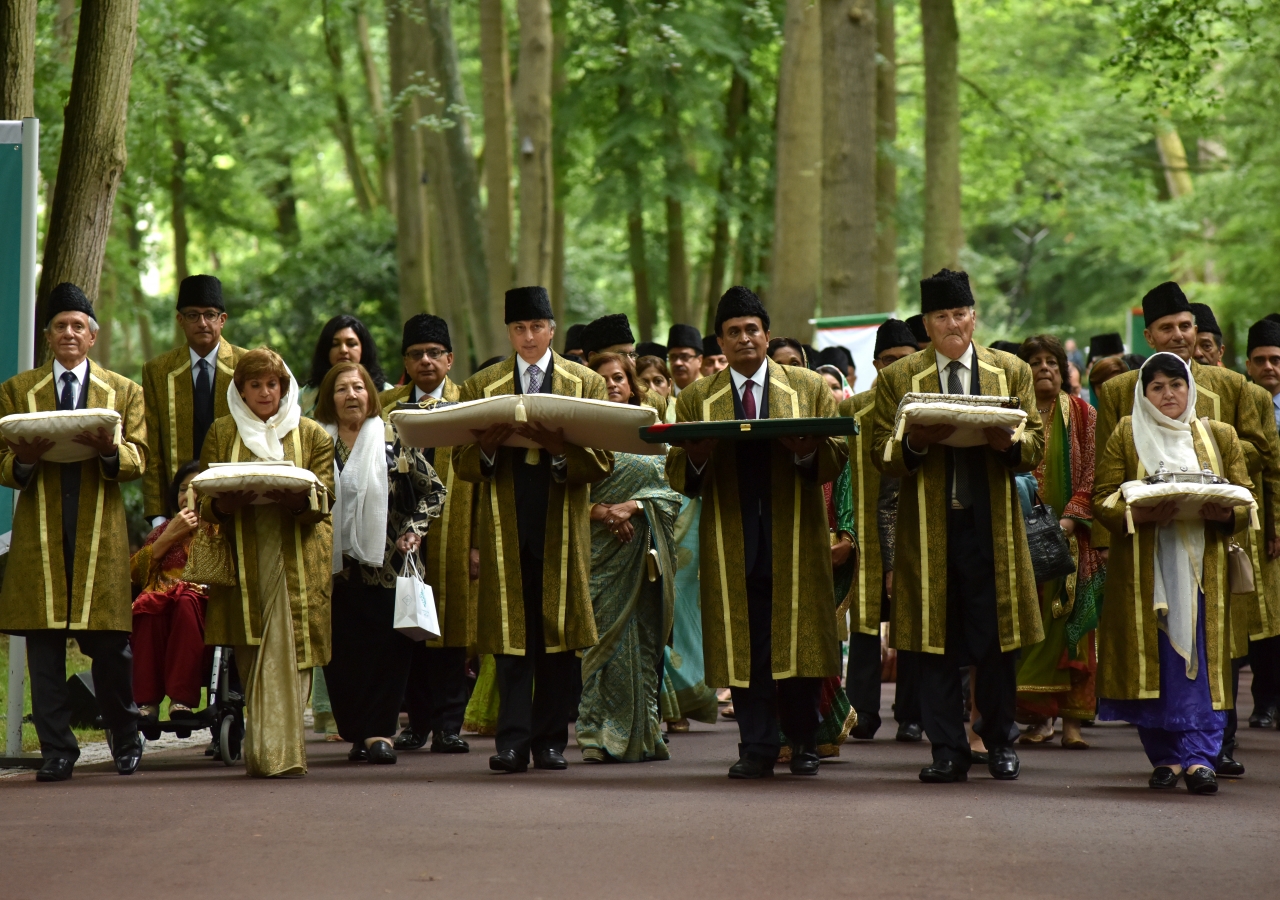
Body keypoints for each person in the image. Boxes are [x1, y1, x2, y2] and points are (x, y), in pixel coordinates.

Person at [667, 286, 849, 779]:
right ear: (720, 344)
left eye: (752, 329)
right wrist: (698, 458)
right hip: (732, 539)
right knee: (745, 646)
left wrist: (806, 450)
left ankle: (805, 743)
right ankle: (756, 746)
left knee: (801, 641)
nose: (744, 338)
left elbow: (837, 456)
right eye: (733, 332)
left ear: (767, 335)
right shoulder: (698, 397)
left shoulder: (807, 387)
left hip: (794, 536)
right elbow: (678, 473)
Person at [1093, 284, 1275, 774]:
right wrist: (1139, 512)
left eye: (1177, 386)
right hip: (1144, 566)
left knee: (1205, 657)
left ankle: (1201, 758)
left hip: (1205, 568)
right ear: (1143, 391)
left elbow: (1244, 493)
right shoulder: (1125, 430)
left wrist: (1225, 512)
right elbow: (1103, 496)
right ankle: (1166, 759)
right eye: (1157, 387)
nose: (1169, 394)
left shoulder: (1219, 433)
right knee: (1157, 659)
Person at [872, 269, 1045, 783]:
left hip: (991, 529)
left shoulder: (1009, 371)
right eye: (942, 316)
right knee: (934, 644)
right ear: (926, 323)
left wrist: (1009, 444)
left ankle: (999, 743)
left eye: (961, 314)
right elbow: (883, 454)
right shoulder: (900, 378)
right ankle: (946, 749)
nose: (954, 325)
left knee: (996, 641)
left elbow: (1033, 441)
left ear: (975, 316)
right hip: (927, 531)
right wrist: (918, 441)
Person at [456, 286, 613, 773]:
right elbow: (461, 464)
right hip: (505, 523)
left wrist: (561, 450)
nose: (528, 336)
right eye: (519, 328)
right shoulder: (483, 384)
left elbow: (603, 460)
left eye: (536, 327)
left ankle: (549, 743)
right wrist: (487, 449)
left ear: (552, 329)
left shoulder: (584, 382)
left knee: (558, 639)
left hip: (562, 522)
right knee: (509, 639)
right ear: (509, 331)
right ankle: (510, 743)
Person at [0, 283, 148, 782]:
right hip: (39, 532)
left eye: (77, 326)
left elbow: (140, 459)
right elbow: (0, 461)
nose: (69, 333)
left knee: (110, 646)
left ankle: (126, 738)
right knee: (43, 645)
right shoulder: (18, 391)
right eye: (60, 325)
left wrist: (109, 449)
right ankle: (57, 750)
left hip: (98, 535)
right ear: (48, 335)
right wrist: (22, 460)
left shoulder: (123, 392)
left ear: (92, 336)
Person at [200, 347, 335, 777]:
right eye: (254, 385)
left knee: (293, 650)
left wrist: (299, 500)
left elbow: (326, 499)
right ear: (239, 391)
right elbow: (203, 501)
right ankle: (262, 753)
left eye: (271, 384)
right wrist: (225, 504)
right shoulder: (222, 433)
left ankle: (285, 754)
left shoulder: (312, 434)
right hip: (242, 563)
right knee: (252, 653)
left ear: (284, 387)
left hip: (296, 559)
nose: (264, 392)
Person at [315, 361, 445, 765]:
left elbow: (434, 491)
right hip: (335, 570)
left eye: (358, 387)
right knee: (342, 656)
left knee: (386, 654)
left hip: (387, 565)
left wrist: (415, 529)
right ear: (328, 398)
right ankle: (358, 733)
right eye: (341, 389)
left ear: (371, 393)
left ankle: (379, 733)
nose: (351, 395)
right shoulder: (315, 441)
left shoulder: (393, 437)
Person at [574, 353, 682, 762]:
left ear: (632, 383)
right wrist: (603, 512)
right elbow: (568, 494)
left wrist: (634, 508)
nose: (611, 384)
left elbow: (673, 491)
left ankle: (645, 733)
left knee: (643, 640)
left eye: (618, 377)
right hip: (599, 553)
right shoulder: (581, 434)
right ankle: (595, 734)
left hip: (644, 555)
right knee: (602, 640)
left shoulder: (652, 431)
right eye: (601, 380)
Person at [379, 315, 478, 754]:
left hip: (455, 529)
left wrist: (477, 542)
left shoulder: (468, 403)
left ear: (449, 359)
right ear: (405, 360)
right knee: (410, 628)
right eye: (416, 354)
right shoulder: (386, 407)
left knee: (452, 631)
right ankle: (416, 725)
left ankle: (449, 726)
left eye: (434, 353)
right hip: (399, 537)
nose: (426, 361)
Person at [1014, 335, 1105, 748]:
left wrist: (1070, 519)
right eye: (1034, 361)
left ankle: (1071, 725)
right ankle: (1038, 720)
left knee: (1072, 629)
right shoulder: (1012, 416)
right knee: (1028, 627)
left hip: (1070, 541)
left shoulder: (1083, 414)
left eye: (1052, 361)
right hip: (1018, 540)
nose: (1044, 368)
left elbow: (1093, 472)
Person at [841, 318, 923, 742]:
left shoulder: (929, 411)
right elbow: (837, 477)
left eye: (904, 361)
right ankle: (862, 713)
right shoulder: (852, 411)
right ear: (875, 364)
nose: (896, 369)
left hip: (916, 532)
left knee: (913, 625)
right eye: (889, 362)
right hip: (862, 535)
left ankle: (911, 715)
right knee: (864, 627)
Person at [141, 274, 245, 528]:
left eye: (210, 314)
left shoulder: (246, 366)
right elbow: (152, 448)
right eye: (192, 315)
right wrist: (158, 516)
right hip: (178, 508)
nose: (202, 323)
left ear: (222, 320)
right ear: (180, 320)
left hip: (236, 506)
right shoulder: (158, 371)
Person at [130, 460, 207, 726]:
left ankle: (180, 701)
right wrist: (170, 535)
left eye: (197, 489)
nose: (188, 496)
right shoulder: (162, 531)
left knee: (185, 601)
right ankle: (146, 703)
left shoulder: (220, 530)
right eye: (183, 489)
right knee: (147, 605)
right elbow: (135, 575)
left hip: (204, 606)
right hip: (162, 605)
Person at [1244, 318, 1280, 729]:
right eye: (1260, 360)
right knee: (1266, 621)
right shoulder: (1244, 403)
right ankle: (1265, 701)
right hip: (1260, 528)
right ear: (1249, 365)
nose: (1269, 367)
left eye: (1276, 360)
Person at [582, 313, 666, 423]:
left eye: (632, 355)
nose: (631, 362)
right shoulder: (577, 396)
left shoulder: (655, 400)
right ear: (593, 357)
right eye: (620, 355)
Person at [300, 314, 390, 416]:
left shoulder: (388, 394)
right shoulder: (306, 396)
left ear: (363, 349)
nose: (343, 350)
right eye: (335, 344)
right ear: (325, 350)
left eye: (351, 344)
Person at [666, 324, 704, 395]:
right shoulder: (663, 396)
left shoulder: (713, 393)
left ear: (699, 360)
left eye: (684, 357)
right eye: (673, 357)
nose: (678, 363)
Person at [1190, 303, 1226, 368]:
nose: (1197, 353)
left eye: (1206, 346)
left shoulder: (1236, 378)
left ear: (1220, 352)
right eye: (1191, 346)